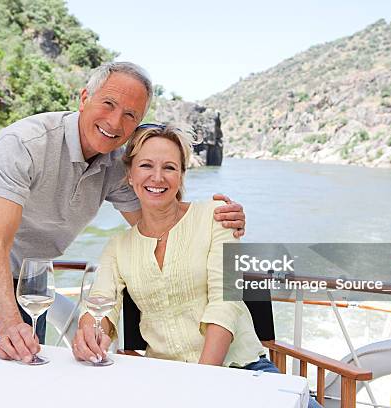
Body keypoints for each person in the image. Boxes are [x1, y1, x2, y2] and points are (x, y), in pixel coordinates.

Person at [0, 61, 246, 364]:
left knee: (32, 353)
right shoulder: (25, 145)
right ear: (85, 98)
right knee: (9, 355)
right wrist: (10, 326)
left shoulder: (119, 162)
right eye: (109, 104)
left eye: (130, 115)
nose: (115, 122)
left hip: (35, 263)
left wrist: (212, 219)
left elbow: (158, 230)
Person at [72, 125, 321, 408]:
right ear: (129, 175)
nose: (157, 177)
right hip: (165, 379)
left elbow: (224, 303)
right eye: (145, 165)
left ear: (181, 175)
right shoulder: (118, 247)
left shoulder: (217, 218)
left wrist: (202, 382)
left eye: (169, 167)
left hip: (242, 370)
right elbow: (99, 305)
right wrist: (91, 334)